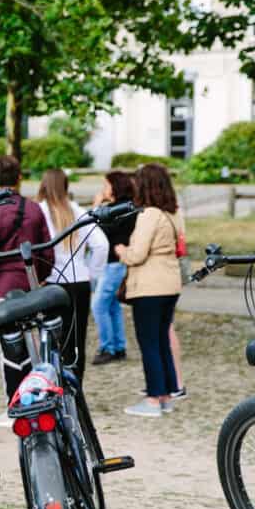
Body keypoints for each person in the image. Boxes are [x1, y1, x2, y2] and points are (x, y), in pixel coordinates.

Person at [0, 155, 55, 406]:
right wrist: (36, 279)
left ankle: (16, 402)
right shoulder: (33, 208)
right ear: (19, 177)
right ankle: (38, 396)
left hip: (0, 290)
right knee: (32, 347)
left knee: (8, 350)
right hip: (28, 287)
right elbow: (46, 253)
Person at [115, 164, 184, 417]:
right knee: (161, 340)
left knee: (149, 343)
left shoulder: (149, 215)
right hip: (169, 283)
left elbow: (137, 254)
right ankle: (166, 394)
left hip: (149, 286)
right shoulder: (172, 214)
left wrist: (122, 251)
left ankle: (154, 398)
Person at [36, 169, 108, 381]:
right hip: (79, 282)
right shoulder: (79, 211)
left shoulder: (39, 211)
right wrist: (92, 272)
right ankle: (75, 392)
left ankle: (52, 386)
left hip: (50, 282)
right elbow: (101, 245)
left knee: (50, 340)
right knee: (76, 342)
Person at [90, 170, 137, 364]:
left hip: (114, 264)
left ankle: (107, 347)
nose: (103, 189)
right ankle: (119, 346)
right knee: (112, 306)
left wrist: (96, 206)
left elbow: (98, 229)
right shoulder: (125, 207)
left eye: (106, 185)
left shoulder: (119, 210)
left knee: (99, 305)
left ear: (115, 186)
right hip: (114, 263)